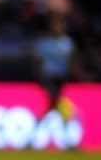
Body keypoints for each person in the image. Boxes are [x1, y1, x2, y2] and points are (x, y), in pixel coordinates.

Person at [32, 13, 79, 146]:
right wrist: (39, 79)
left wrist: (79, 77)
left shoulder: (67, 43)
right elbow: (37, 63)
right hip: (48, 78)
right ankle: (69, 142)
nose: (58, 27)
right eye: (56, 25)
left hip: (61, 79)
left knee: (52, 108)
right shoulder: (44, 43)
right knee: (58, 106)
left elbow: (72, 62)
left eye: (60, 25)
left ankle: (32, 136)